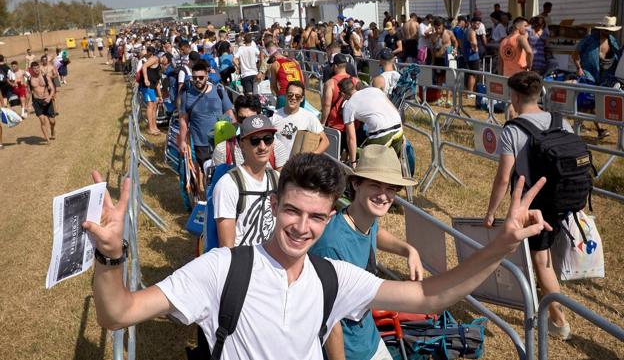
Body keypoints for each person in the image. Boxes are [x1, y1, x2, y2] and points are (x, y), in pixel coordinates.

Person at [84, 146, 551, 360]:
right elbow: (118, 313)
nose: (302, 228)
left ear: (331, 216)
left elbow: (429, 296)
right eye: (292, 211)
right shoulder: (222, 269)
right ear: (273, 205)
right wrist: (111, 258)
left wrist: (502, 246)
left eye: (316, 217)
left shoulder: (332, 278)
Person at [311, 145, 423, 360]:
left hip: (369, 338)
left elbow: (376, 233)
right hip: (349, 351)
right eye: (375, 185)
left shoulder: (362, 219)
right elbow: (330, 320)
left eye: (391, 188)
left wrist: (408, 250)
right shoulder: (331, 245)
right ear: (355, 184)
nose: (384, 195)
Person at [484, 71, 571, 340]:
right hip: (562, 199)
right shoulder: (560, 120)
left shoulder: (513, 129)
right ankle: (546, 303)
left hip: (534, 205)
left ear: (516, 96)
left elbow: (503, 177)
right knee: (547, 259)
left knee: (541, 263)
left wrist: (491, 211)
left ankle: (560, 321)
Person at [213, 114, 280, 248]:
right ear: (242, 144)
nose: (262, 146)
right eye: (255, 140)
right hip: (244, 263)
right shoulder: (228, 185)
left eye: (268, 139)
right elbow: (227, 248)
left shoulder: (277, 179)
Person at [571, 16, 621, 139]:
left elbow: (618, 56)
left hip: (603, 75)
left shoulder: (612, 41)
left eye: (610, 30)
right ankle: (598, 130)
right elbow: (575, 54)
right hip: (588, 73)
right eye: (606, 29)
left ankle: (577, 124)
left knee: (591, 103)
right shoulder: (589, 39)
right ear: (601, 28)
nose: (608, 32)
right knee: (591, 100)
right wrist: (579, 68)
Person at [179, 61, 235, 169]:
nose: (197, 80)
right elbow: (183, 120)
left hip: (221, 141)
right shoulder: (187, 94)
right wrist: (182, 141)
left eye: (201, 77)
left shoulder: (219, 90)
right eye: (195, 78)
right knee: (206, 173)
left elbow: (229, 114)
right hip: (200, 143)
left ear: (207, 76)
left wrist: (235, 138)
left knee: (222, 171)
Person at [212, 95, 289, 170]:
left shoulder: (276, 147)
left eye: (251, 119)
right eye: (242, 119)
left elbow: (282, 180)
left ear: (260, 117)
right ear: (236, 118)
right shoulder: (223, 150)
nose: (246, 124)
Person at [343, 86, 404, 166]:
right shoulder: (374, 90)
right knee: (392, 164)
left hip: (381, 133)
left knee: (367, 162)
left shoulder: (348, 106)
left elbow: (351, 138)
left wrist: (353, 161)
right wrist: (403, 134)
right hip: (398, 129)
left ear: (342, 94)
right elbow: (394, 109)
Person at [271, 80, 329, 156]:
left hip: (298, 165)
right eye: (290, 95)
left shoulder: (309, 117)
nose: (293, 98)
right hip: (279, 165)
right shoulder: (275, 116)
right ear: (285, 95)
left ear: (302, 99)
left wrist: (311, 156)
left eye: (297, 96)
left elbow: (325, 141)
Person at [268, 45, 304, 109]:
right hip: (299, 94)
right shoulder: (295, 61)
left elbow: (273, 85)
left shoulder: (276, 64)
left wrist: (279, 95)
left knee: (280, 118)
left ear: (274, 57)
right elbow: (302, 80)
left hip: (285, 94)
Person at [28, 61, 57, 144]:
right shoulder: (30, 79)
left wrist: (49, 97)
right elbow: (29, 92)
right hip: (37, 101)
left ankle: (52, 129)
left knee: (52, 121)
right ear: (31, 69)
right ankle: (47, 139)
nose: (36, 70)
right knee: (42, 120)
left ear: (39, 67)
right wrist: (28, 104)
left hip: (47, 100)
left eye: (37, 68)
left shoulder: (45, 77)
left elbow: (52, 89)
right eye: (34, 68)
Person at [140, 46, 163, 135]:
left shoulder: (158, 65)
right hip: (147, 87)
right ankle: (150, 128)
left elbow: (157, 82)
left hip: (152, 87)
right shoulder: (154, 59)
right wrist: (146, 79)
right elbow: (144, 66)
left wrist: (160, 96)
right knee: (150, 106)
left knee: (154, 106)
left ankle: (154, 126)